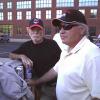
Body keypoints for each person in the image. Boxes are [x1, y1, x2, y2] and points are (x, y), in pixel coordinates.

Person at [27, 9, 100, 100]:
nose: (61, 31)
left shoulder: (92, 56)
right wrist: (37, 82)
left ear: (81, 30)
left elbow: (97, 96)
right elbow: (55, 70)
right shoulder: (67, 49)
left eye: (66, 26)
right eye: (60, 27)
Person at [9, 18, 61, 99]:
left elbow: (62, 63)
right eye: (33, 30)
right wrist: (22, 56)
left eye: (38, 30)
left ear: (43, 31)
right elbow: (11, 54)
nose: (36, 32)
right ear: (29, 31)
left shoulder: (52, 44)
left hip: (50, 86)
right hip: (34, 84)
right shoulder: (26, 46)